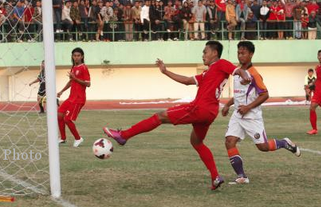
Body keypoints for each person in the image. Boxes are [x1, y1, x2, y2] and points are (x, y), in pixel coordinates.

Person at [103, 41, 251, 190]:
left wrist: (244, 75)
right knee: (197, 142)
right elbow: (187, 81)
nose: (203, 55)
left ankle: (124, 135)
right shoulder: (207, 72)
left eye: (205, 52)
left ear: (214, 53)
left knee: (160, 116)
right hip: (210, 112)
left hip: (199, 108)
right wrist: (165, 71)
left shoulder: (221, 64)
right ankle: (215, 177)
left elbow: (237, 70)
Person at [221, 41, 300, 185]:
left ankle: (284, 143)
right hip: (238, 115)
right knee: (229, 141)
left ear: (251, 54)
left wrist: (248, 107)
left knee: (262, 147)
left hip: (251, 116)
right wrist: (227, 104)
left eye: (243, 53)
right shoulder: (237, 72)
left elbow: (265, 94)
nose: (240, 55)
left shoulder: (254, 74)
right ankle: (242, 176)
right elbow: (240, 95)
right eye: (239, 52)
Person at [57, 48, 91, 147]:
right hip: (71, 98)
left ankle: (78, 138)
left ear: (82, 56)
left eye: (78, 55)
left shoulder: (84, 68)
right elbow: (71, 82)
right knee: (59, 115)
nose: (76, 57)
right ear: (72, 56)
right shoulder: (73, 67)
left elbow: (88, 84)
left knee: (67, 119)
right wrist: (61, 91)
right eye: (74, 55)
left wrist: (75, 78)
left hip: (78, 99)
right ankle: (63, 138)